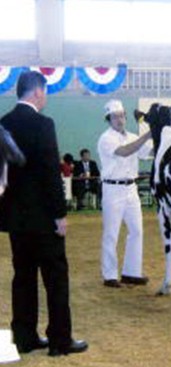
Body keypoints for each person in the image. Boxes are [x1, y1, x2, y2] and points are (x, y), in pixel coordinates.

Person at [0, 71, 87, 356]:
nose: (46, 97)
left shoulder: (4, 124)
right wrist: (60, 214)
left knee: (23, 278)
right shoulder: (43, 124)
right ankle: (60, 340)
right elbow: (51, 172)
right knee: (55, 277)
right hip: (43, 219)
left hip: (16, 219)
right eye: (45, 92)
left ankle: (25, 338)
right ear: (37, 91)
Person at [97, 99, 152, 288]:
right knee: (112, 233)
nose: (119, 120)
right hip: (112, 189)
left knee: (136, 231)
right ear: (109, 119)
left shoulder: (132, 135)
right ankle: (109, 275)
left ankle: (131, 272)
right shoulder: (106, 138)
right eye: (114, 117)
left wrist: (161, 134)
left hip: (131, 188)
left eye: (121, 116)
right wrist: (147, 135)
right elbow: (125, 151)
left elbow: (148, 152)